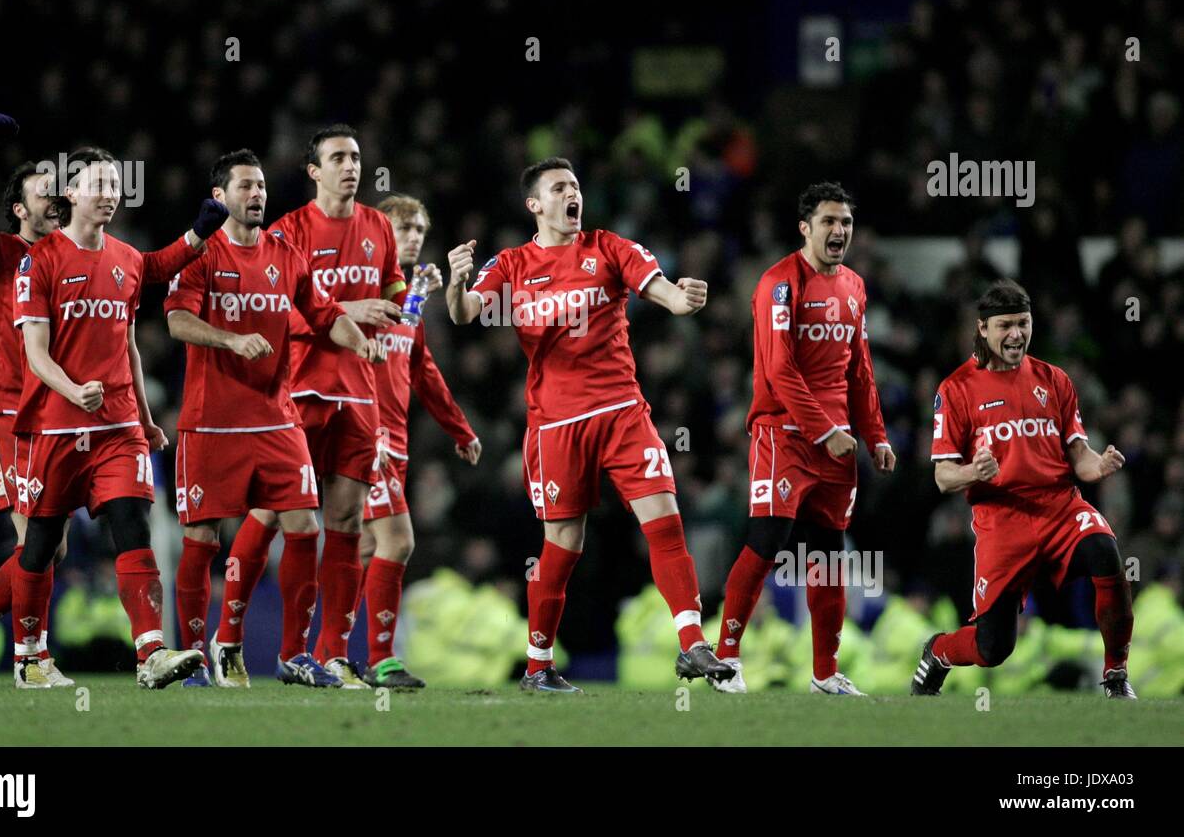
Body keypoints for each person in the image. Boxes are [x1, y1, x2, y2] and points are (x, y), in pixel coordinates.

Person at [0, 115, 216, 687]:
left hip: (80, 413)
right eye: (44, 192)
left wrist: (194, 236)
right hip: (6, 409)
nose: (54, 198)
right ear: (21, 208)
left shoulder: (91, 256)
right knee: (37, 542)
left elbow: (146, 273)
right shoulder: (2, 254)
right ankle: (24, 655)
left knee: (53, 544)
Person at [446, 157, 733, 693]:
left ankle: (692, 644)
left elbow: (665, 292)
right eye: (558, 188)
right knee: (563, 543)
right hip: (556, 424)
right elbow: (464, 313)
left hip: (622, 412)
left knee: (665, 520)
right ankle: (537, 666)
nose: (571, 194)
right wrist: (457, 281)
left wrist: (683, 300)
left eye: (575, 185)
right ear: (535, 204)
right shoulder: (511, 263)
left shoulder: (608, 247)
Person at [10, 146, 227, 689]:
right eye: (98, 184)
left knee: (133, 525)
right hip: (58, 425)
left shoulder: (127, 260)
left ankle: (150, 653)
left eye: (115, 184)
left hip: (118, 427)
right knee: (40, 545)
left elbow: (130, 344)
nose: (110, 193)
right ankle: (27, 658)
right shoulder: (38, 261)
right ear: (71, 194)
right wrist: (72, 389)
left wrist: (148, 419)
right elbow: (35, 353)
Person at [166, 149, 382, 689]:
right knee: (201, 540)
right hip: (211, 420)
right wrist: (230, 339)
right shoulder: (200, 253)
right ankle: (194, 656)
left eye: (260, 186)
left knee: (305, 526)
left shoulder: (285, 254)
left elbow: (325, 313)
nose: (257, 195)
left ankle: (292, 655)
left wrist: (361, 345)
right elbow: (176, 320)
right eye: (244, 187)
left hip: (275, 419)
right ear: (219, 197)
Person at [712, 182, 895, 695]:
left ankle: (824, 674)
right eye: (829, 222)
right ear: (805, 228)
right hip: (784, 436)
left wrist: (874, 434)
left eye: (846, 223)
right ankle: (726, 660)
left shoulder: (855, 287)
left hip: (837, 448)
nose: (839, 232)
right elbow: (779, 369)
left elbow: (860, 371)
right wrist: (826, 429)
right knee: (766, 542)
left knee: (830, 553)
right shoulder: (779, 283)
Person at [913, 278, 1135, 699]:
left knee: (1106, 553)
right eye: (1005, 326)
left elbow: (1078, 456)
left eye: (1023, 323)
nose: (1016, 334)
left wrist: (1099, 465)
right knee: (993, 647)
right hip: (1002, 520)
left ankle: (1116, 675)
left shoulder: (1054, 380)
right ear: (983, 329)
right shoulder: (956, 388)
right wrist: (974, 472)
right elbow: (944, 476)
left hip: (1060, 507)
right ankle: (938, 651)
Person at [250, 124, 407, 689]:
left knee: (346, 522)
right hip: (299, 389)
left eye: (356, 156)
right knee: (275, 515)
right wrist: (351, 309)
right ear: (313, 170)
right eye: (337, 157)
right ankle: (227, 642)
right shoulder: (287, 231)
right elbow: (273, 311)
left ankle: (333, 654)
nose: (351, 165)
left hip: (360, 393)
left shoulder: (379, 227)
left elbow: (392, 294)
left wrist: (395, 309)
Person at [358, 193, 480, 689]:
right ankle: (383, 658)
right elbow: (332, 357)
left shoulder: (409, 298)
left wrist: (459, 427)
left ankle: (326, 655)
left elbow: (421, 369)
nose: (412, 238)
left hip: (397, 440)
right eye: (402, 228)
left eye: (418, 232)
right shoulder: (357, 286)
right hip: (364, 438)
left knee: (364, 549)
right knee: (399, 540)